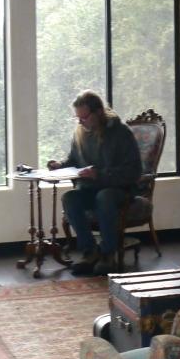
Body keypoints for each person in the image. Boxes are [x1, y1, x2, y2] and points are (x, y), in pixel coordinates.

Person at [48, 90, 143, 275]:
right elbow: (74, 160)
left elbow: (133, 171)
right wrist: (60, 165)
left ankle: (108, 253)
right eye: (78, 119)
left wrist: (99, 174)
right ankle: (89, 251)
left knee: (104, 197)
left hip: (119, 189)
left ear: (98, 112)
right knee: (70, 198)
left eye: (84, 117)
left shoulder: (120, 132)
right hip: (90, 188)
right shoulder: (80, 133)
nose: (81, 122)